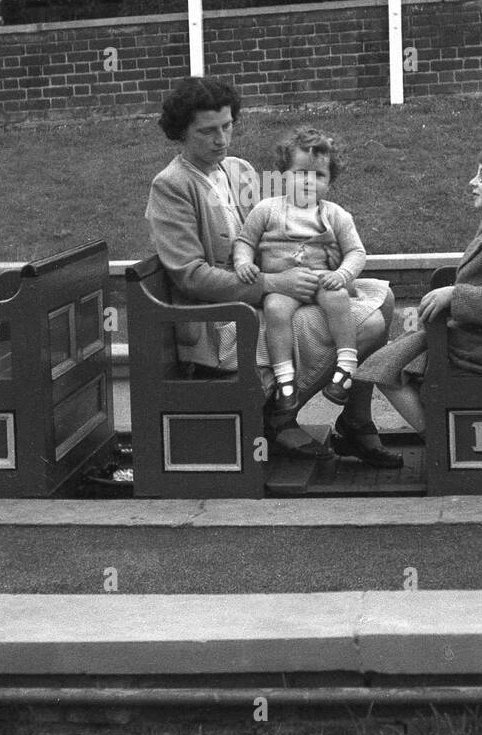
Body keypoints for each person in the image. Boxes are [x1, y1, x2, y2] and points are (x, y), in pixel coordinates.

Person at [145, 76, 402, 467]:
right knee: (368, 325)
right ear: (181, 133)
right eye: (208, 131)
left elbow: (278, 225)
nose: (222, 140)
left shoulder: (239, 170)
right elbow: (191, 276)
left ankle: (355, 420)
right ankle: (282, 421)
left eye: (228, 126)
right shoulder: (171, 186)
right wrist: (272, 283)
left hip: (267, 299)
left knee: (380, 296)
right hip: (221, 323)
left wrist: (321, 254)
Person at [355, 137, 482, 434]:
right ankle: (441, 437)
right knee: (384, 364)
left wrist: (455, 295)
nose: (473, 182)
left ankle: (440, 442)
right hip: (472, 337)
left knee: (384, 372)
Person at [233, 128, 365, 407]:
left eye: (319, 176)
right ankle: (284, 378)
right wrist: (244, 262)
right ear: (283, 175)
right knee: (275, 309)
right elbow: (245, 241)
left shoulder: (335, 214)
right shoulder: (267, 210)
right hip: (281, 282)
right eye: (300, 173)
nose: (308, 182)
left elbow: (356, 251)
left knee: (339, 297)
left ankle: (346, 364)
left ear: (330, 182)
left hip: (321, 279)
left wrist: (341, 274)